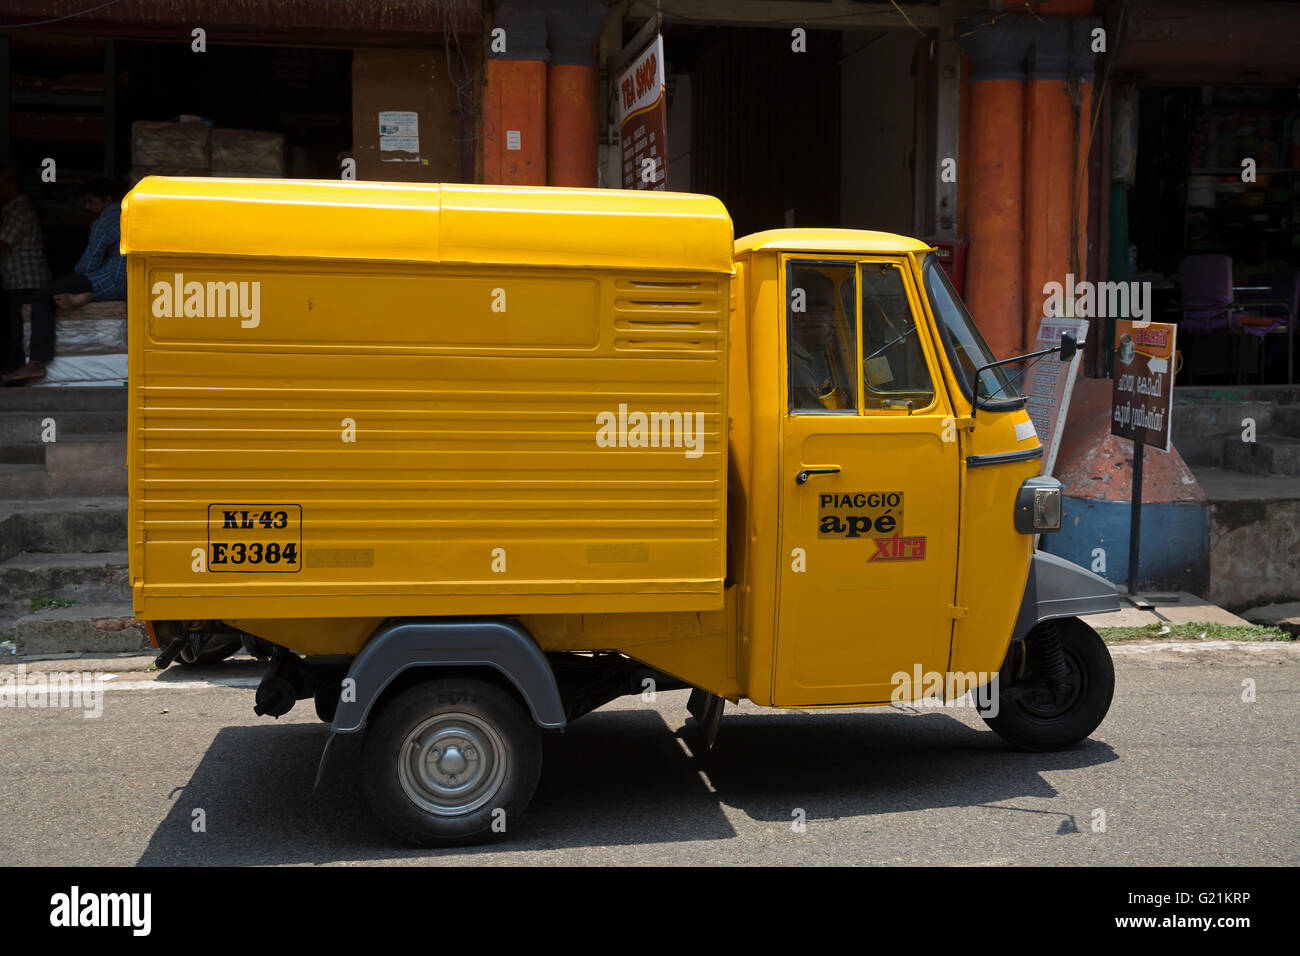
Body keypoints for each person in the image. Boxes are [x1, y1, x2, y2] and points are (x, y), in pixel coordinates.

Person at [3, 178, 125, 383]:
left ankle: (36, 363)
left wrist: (72, 276)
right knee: (66, 287)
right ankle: (83, 297)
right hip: (128, 283)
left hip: (110, 281)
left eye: (90, 201)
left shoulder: (105, 222)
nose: (86, 207)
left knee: (43, 295)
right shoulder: (128, 215)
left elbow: (89, 264)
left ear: (107, 200)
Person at [0, 162, 52, 375]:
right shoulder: (14, 209)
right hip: (19, 279)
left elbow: (3, 243)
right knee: (20, 327)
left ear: (13, 185)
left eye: (1, 184)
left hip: (26, 280)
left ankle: (22, 371)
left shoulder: (19, 210)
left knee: (21, 328)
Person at [789, 269, 852, 410]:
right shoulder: (796, 369)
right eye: (826, 312)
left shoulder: (796, 359)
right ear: (801, 316)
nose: (834, 323)